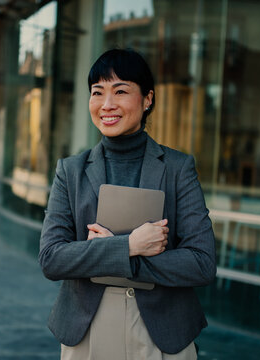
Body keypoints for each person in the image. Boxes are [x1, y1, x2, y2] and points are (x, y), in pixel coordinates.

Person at [39, 48, 216, 359]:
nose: (107, 104)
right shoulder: (71, 171)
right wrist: (129, 246)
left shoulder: (177, 168)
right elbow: (52, 258)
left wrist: (124, 259)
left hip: (162, 331)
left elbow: (201, 263)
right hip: (86, 328)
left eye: (120, 91)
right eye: (98, 92)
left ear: (147, 99)